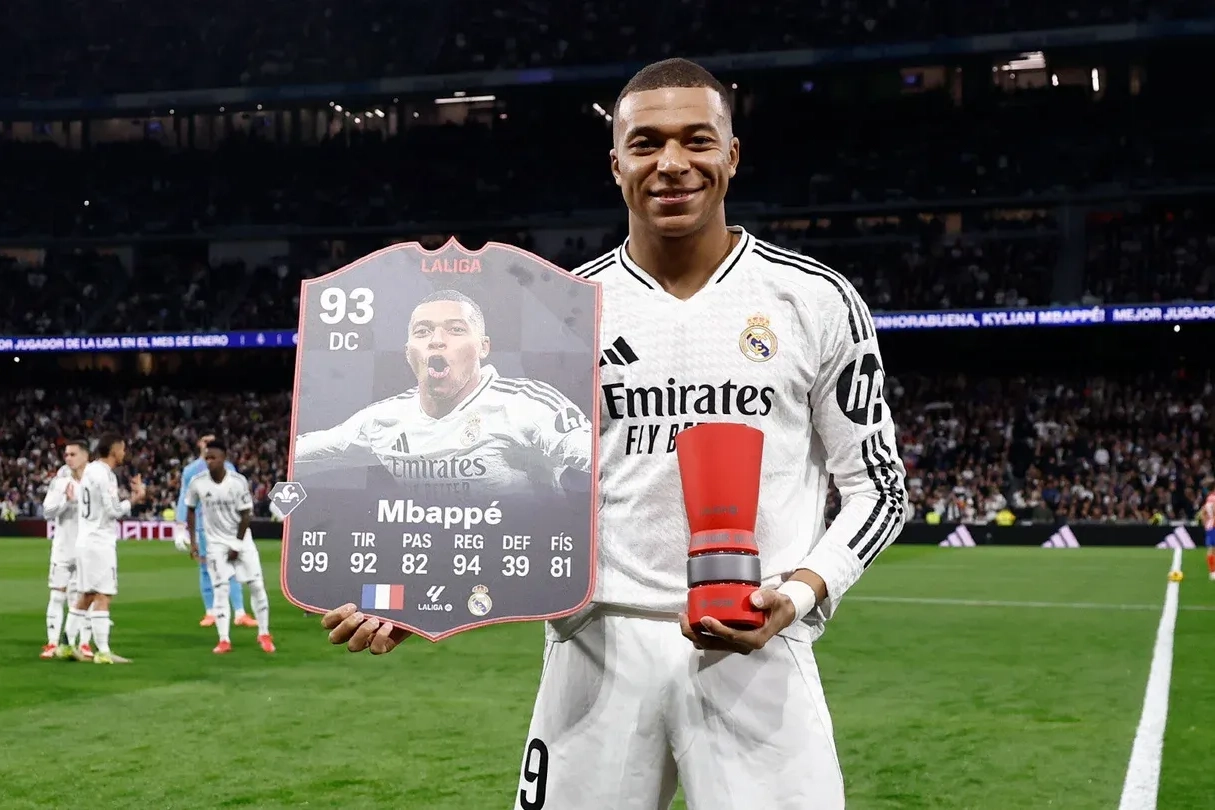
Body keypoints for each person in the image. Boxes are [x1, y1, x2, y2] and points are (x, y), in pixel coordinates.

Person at [321, 58, 907, 810]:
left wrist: (797, 595)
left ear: (732, 155)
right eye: (646, 143)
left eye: (697, 140)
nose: (672, 162)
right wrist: (421, 587)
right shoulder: (560, 312)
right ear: (615, 163)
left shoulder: (814, 299)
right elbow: (511, 487)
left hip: (759, 644)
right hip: (595, 649)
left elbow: (878, 489)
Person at [294, 289, 591, 495]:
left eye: (456, 329)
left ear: (483, 347)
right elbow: (301, 455)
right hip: (431, 558)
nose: (437, 340)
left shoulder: (528, 405)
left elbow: (601, 460)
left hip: (520, 559)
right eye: (422, 331)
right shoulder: (381, 421)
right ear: (408, 352)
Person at [185, 440, 275, 654]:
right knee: (220, 589)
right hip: (215, 544)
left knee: (257, 585)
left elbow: (246, 515)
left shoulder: (237, 482)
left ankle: (264, 634)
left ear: (224, 458)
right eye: (207, 458)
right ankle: (224, 639)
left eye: (213, 458)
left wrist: (236, 544)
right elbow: (190, 509)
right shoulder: (198, 482)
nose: (209, 461)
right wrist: (193, 541)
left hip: (242, 540)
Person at [64, 433, 146, 665]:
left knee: (87, 595)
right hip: (100, 542)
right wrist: (135, 499)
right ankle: (103, 651)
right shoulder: (105, 474)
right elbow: (113, 511)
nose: (124, 453)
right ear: (114, 450)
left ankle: (66, 645)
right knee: (103, 594)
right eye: (122, 449)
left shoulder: (89, 470)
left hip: (85, 539)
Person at [175, 433, 254, 628]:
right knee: (205, 569)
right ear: (199, 444)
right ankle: (210, 612)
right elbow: (185, 498)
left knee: (232, 567)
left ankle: (239, 612)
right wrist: (180, 526)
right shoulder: (191, 471)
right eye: (205, 441)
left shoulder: (229, 468)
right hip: (204, 527)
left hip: (228, 527)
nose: (208, 445)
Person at [40, 440, 94, 659]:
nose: (68, 458)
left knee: (83, 597)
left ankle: (84, 643)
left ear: (85, 456)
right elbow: (47, 512)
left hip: (87, 549)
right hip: (63, 548)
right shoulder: (60, 483)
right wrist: (66, 502)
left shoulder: (94, 482)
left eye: (73, 454)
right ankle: (52, 643)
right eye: (66, 455)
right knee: (57, 595)